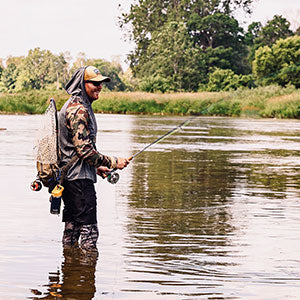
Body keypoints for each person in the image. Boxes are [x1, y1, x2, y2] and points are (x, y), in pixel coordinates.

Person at [58, 66, 130, 252]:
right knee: (90, 234)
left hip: (70, 179)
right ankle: (86, 275)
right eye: (95, 83)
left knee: (72, 231)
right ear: (83, 84)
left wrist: (97, 169)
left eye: (101, 84)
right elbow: (85, 151)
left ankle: (71, 272)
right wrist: (114, 162)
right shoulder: (79, 109)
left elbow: (75, 150)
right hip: (79, 182)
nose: (99, 87)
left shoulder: (75, 105)